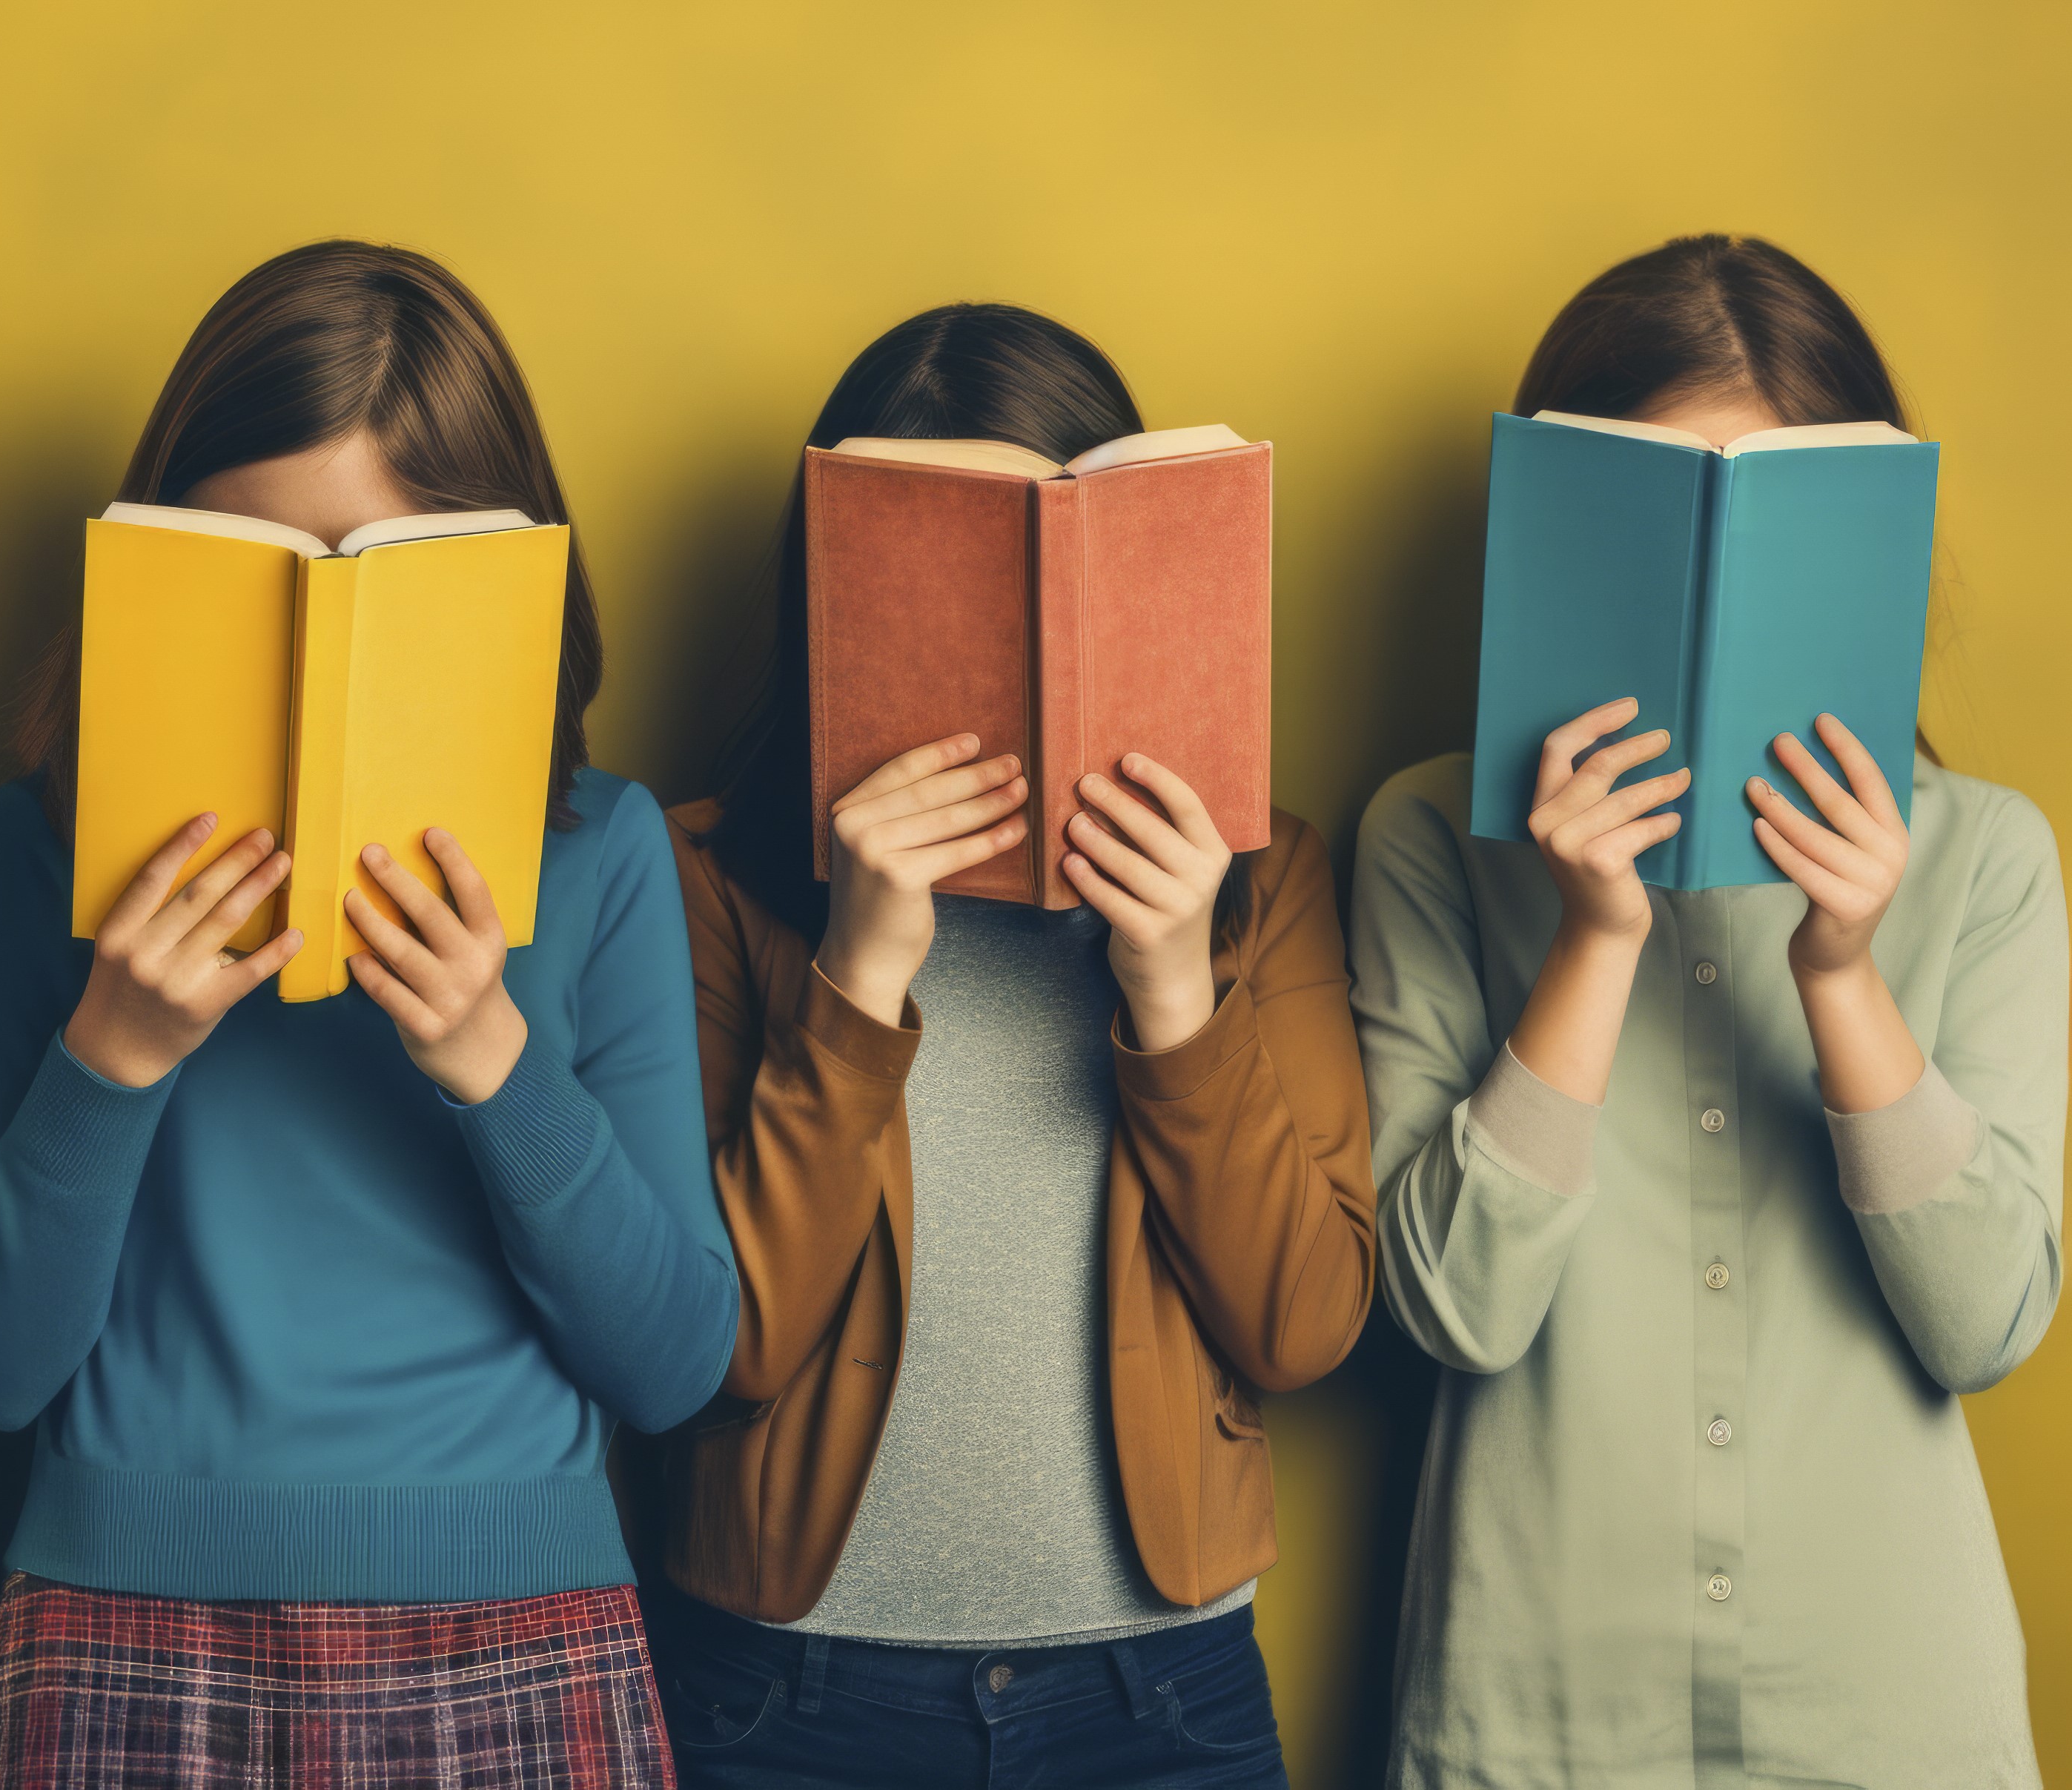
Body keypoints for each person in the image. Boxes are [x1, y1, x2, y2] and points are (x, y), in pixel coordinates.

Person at [0, 239, 737, 1789]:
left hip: (520, 1623)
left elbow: (674, 1362)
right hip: (118, 1626)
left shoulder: (604, 852)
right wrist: (113, 1054)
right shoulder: (34, 853)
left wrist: (488, 1057)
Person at [1354, 233, 2063, 1787]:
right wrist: (1593, 939)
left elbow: (1986, 1320)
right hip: (1525, 1722)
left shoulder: (1989, 854)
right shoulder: (1424, 835)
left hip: (1886, 1718)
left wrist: (1838, 971)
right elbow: (1449, 1308)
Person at [638, 303, 1371, 1788]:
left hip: (1155, 1702)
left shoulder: (1261, 876)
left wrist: (1172, 986)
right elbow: (717, 1347)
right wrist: (853, 975)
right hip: (779, 1703)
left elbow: (1301, 1322)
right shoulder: (699, 876)